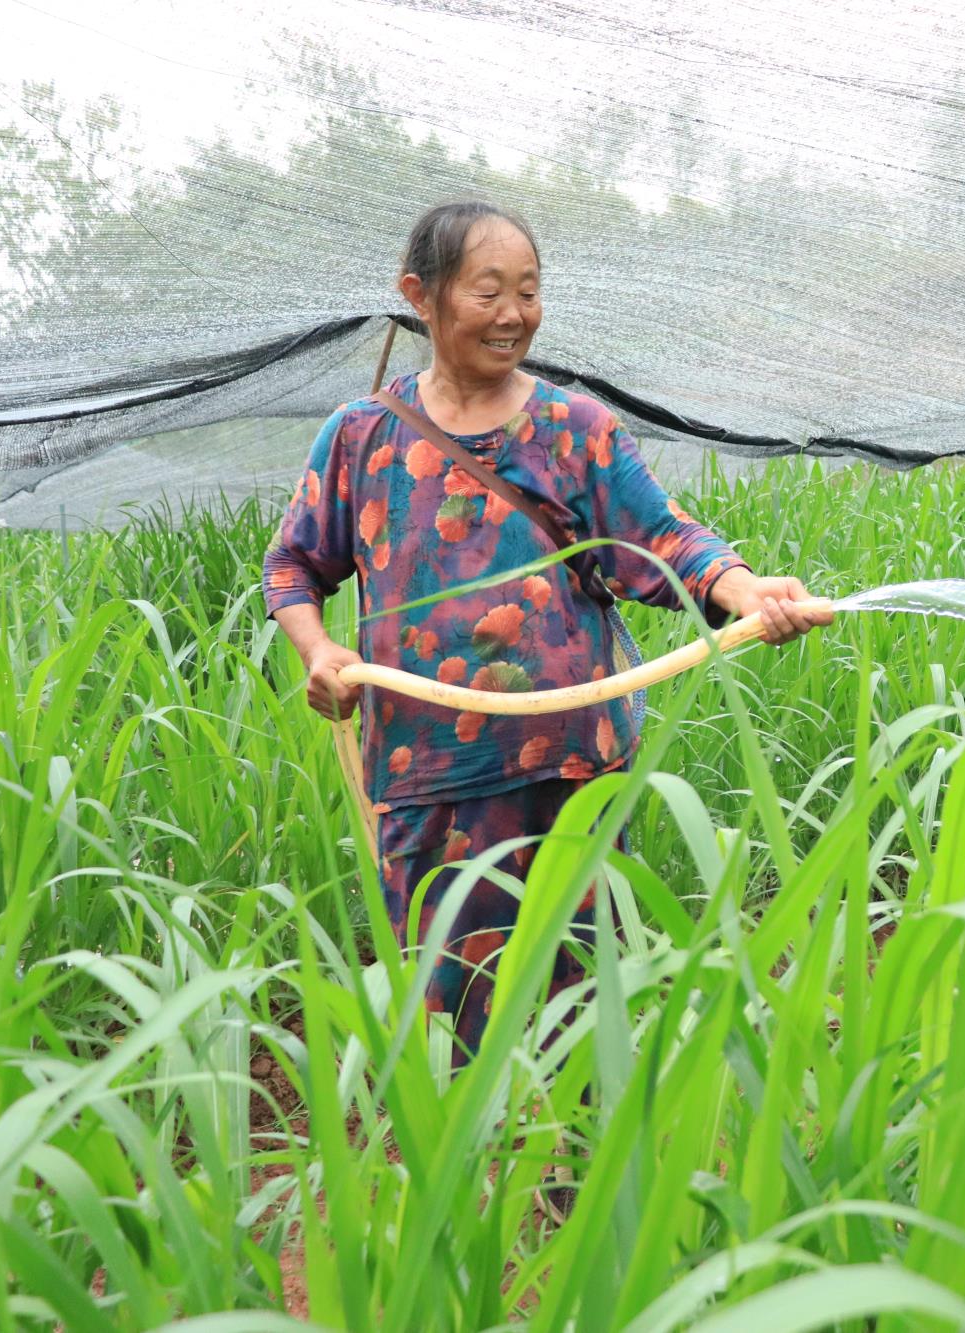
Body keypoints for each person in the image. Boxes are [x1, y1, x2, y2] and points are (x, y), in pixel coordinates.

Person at [263, 200, 832, 1060]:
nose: (514, 314)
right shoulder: (361, 437)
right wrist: (320, 650)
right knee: (451, 1016)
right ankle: (470, 1146)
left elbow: (664, 538)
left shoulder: (575, 429)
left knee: (585, 1016)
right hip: (427, 782)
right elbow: (292, 565)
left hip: (572, 775)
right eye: (488, 291)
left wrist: (748, 591)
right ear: (420, 295)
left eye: (528, 292)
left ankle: (587, 1146)